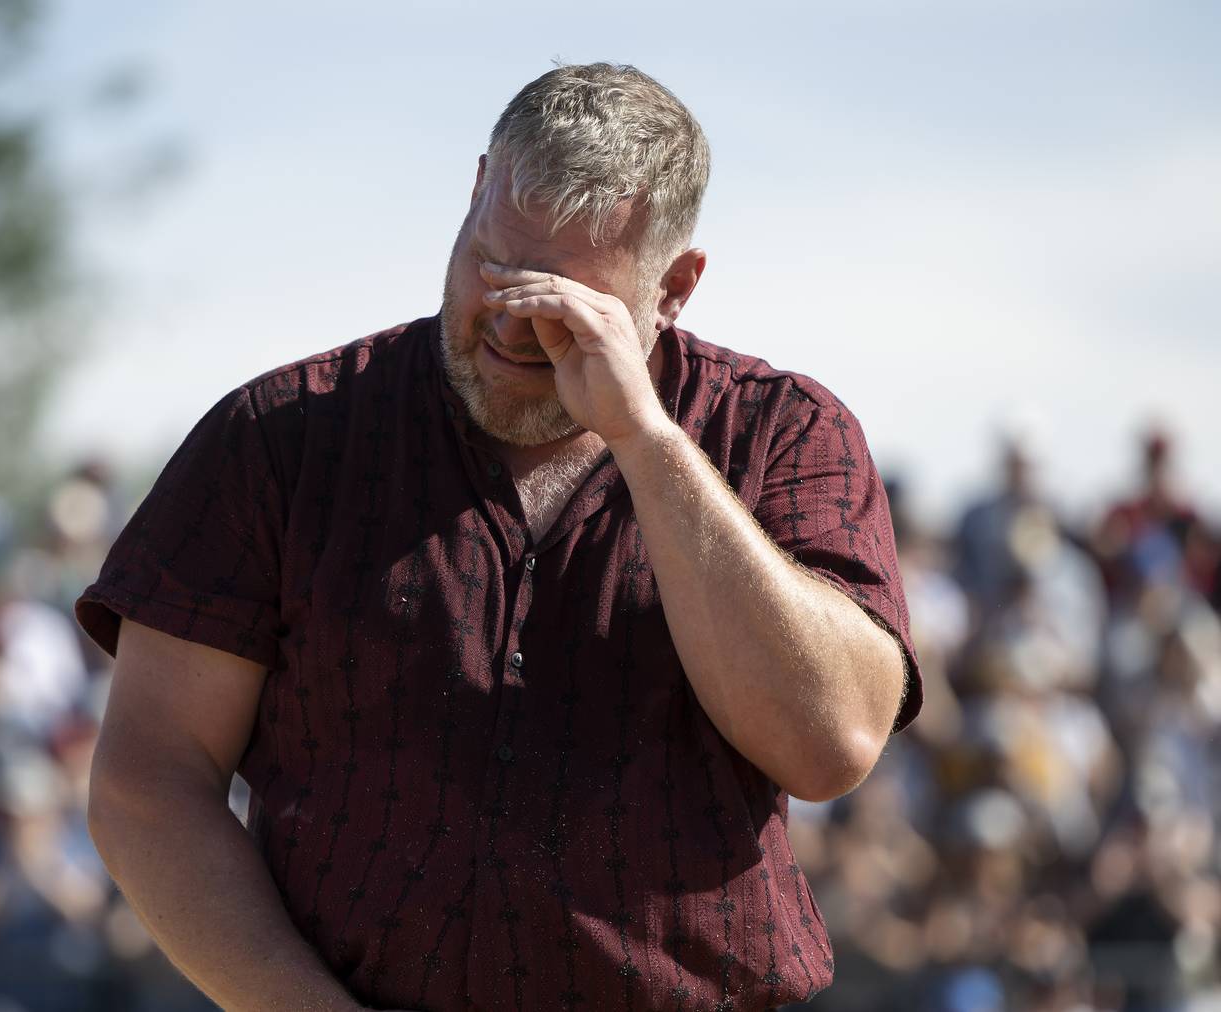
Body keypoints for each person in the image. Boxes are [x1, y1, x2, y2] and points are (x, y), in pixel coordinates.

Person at [78, 63, 919, 1010]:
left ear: (675, 287)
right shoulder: (280, 437)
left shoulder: (785, 434)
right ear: (476, 190)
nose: (514, 321)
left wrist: (644, 439)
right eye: (494, 264)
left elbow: (832, 744)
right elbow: (150, 780)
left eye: (565, 300)